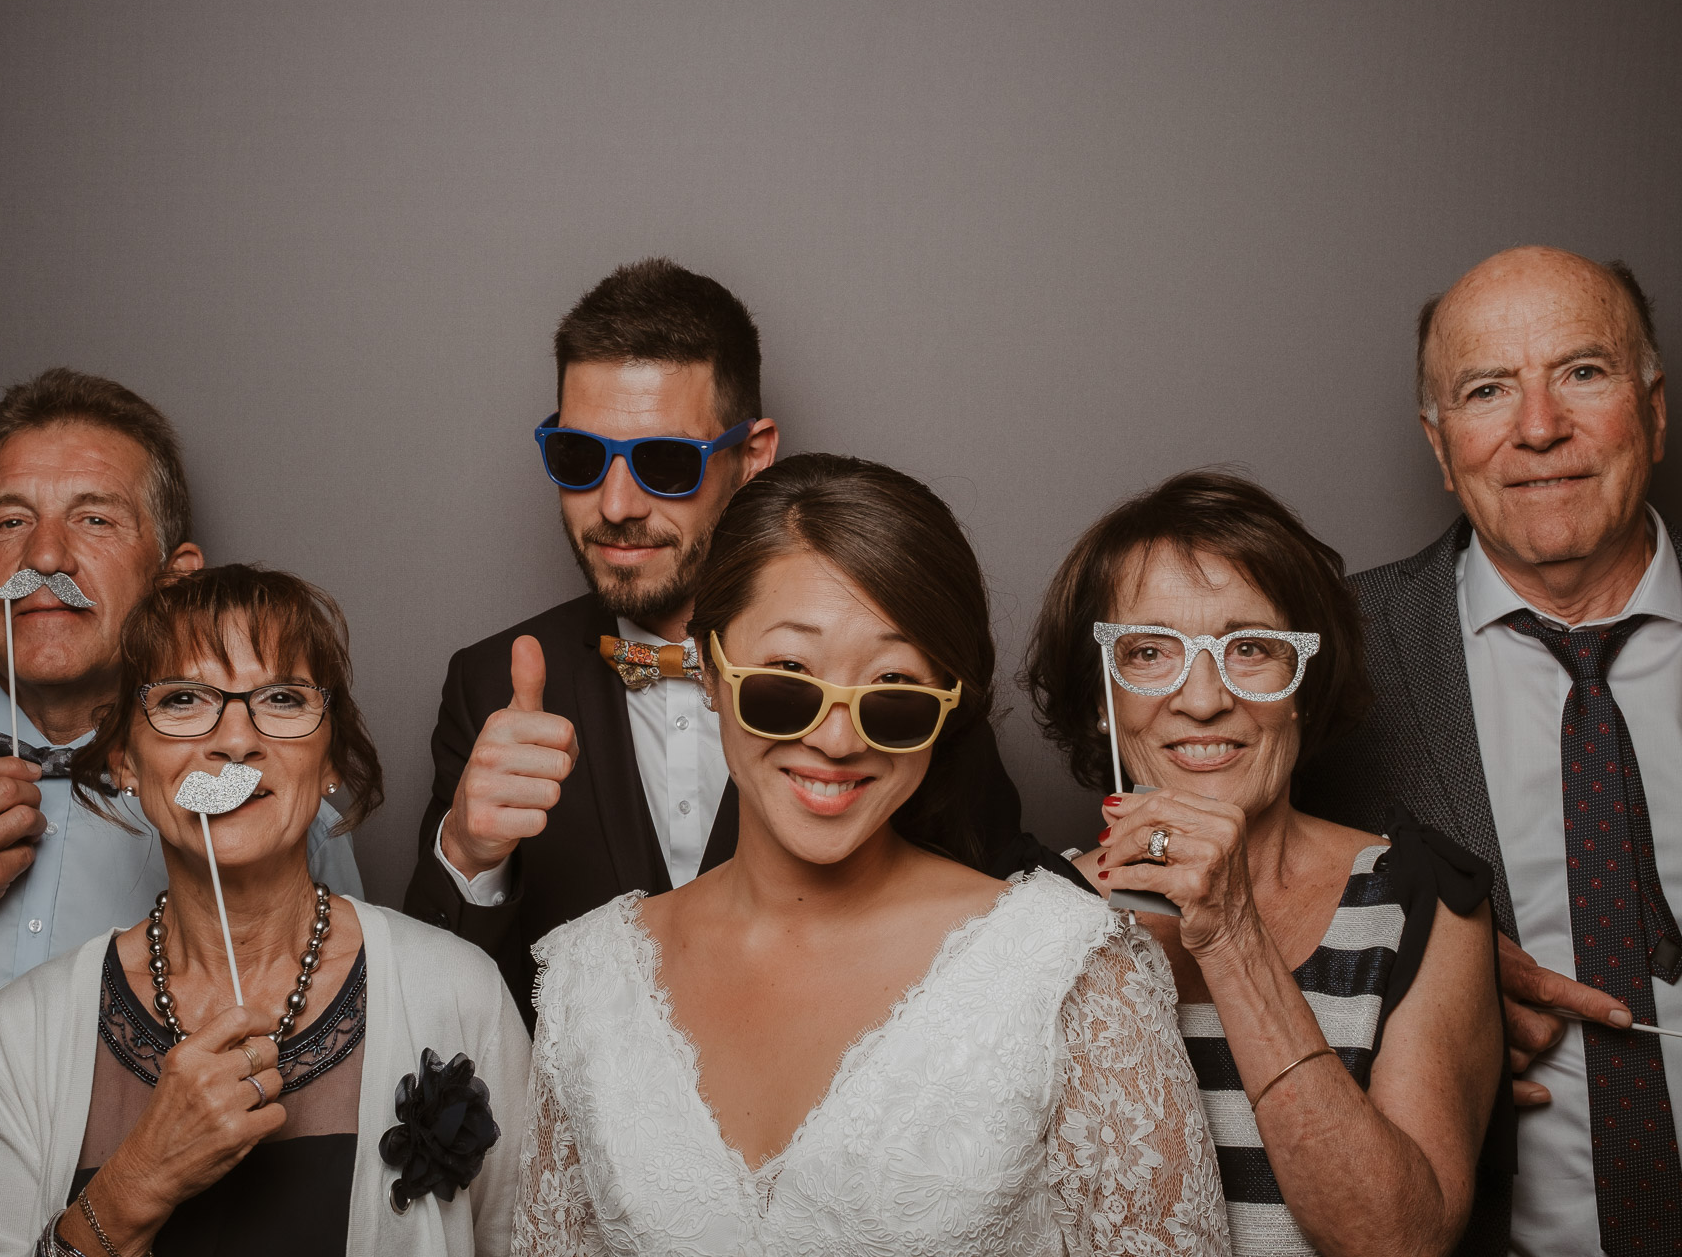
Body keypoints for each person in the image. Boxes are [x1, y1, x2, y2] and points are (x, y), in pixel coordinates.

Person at [510, 453, 1228, 1256]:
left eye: (892, 691)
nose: (836, 738)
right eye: (786, 678)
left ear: (945, 708)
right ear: (710, 670)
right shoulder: (586, 978)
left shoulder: (1074, 970)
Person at [1298, 245, 1682, 1255]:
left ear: (1654, 407)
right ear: (1440, 445)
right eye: (1486, 389)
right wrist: (1422, 978)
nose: (1538, 427)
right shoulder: (1329, 663)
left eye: (1581, 371)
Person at [0, 370, 361, 1257]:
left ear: (174, 579)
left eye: (93, 519)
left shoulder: (269, 802)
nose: (42, 558)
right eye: (9, 523)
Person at [403, 259, 1085, 1017]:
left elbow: (1005, 891)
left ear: (754, 456)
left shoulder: (892, 682)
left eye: (664, 462)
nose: (617, 503)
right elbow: (432, 1020)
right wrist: (467, 855)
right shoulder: (486, 684)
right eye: (579, 457)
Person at [0, 564, 528, 1256]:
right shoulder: (19, 1035)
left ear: (329, 755)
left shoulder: (461, 991)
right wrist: (134, 1186)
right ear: (123, 758)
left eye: (280, 697)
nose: (236, 740)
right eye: (184, 699)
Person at [1025, 471, 1502, 1256]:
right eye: (1150, 651)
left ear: (1304, 686)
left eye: (1250, 648)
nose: (1204, 698)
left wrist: (1232, 934)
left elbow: (1400, 1242)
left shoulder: (1425, 900)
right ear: (1096, 698)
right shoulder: (1024, 920)